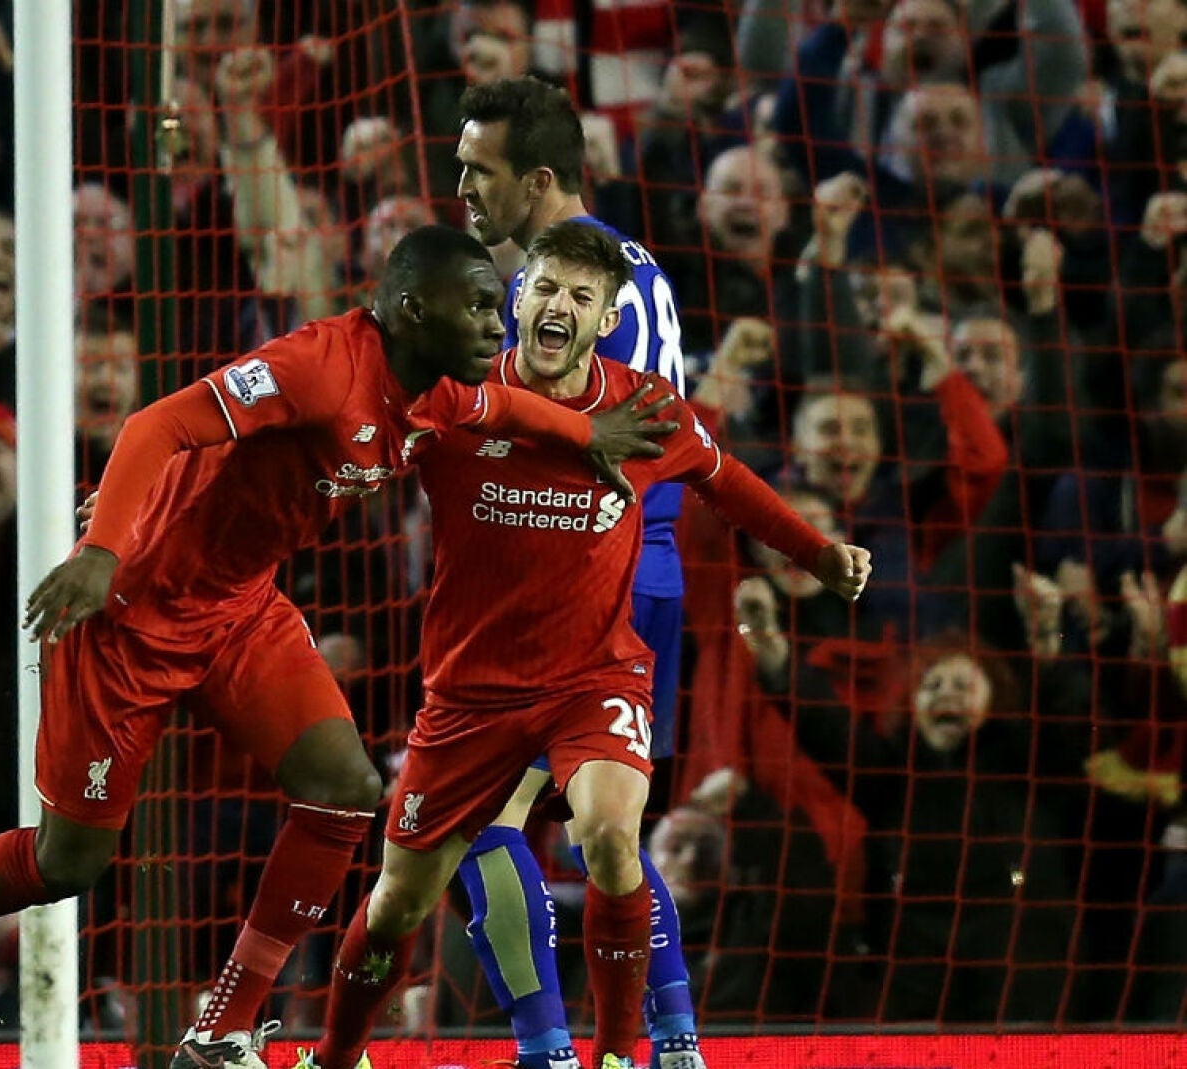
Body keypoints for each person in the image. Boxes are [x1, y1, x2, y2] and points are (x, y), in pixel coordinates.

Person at [0, 224, 679, 1066]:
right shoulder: (317, 366)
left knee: (347, 790)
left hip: (241, 610)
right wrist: (101, 552)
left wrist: (590, 436)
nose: (496, 325)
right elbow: (155, 426)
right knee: (69, 862)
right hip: (132, 613)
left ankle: (222, 1027)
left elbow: (503, 405)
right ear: (409, 307)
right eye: (475, 305)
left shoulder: (432, 392)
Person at [303, 221, 871, 1069]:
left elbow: (731, 485)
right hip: (469, 694)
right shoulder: (453, 396)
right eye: (546, 287)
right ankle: (336, 1055)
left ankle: (613, 1053)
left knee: (608, 833)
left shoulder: (643, 408)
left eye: (581, 295)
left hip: (594, 677)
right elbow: (336, 461)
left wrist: (819, 554)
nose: (558, 305)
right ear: (518, 297)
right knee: (396, 902)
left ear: (606, 318)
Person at [451, 75, 709, 1069]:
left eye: (480, 171)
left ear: (540, 179)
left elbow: (607, 447)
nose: (462, 188)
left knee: (478, 812)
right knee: (607, 825)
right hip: (643, 574)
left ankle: (545, 1047)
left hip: (585, 575)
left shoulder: (570, 288)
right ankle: (672, 1039)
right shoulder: (629, 269)